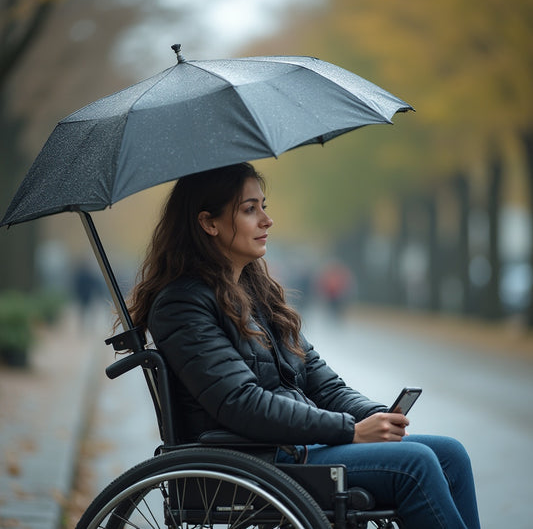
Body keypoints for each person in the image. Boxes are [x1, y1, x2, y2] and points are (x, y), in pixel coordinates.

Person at [128, 162, 481, 529]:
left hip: (296, 446)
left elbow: (323, 384)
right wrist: (351, 431)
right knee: (416, 465)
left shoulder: (259, 296)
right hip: (253, 456)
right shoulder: (182, 305)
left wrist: (376, 415)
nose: (267, 220)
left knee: (450, 454)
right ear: (208, 223)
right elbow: (240, 403)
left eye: (263, 206)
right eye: (250, 210)